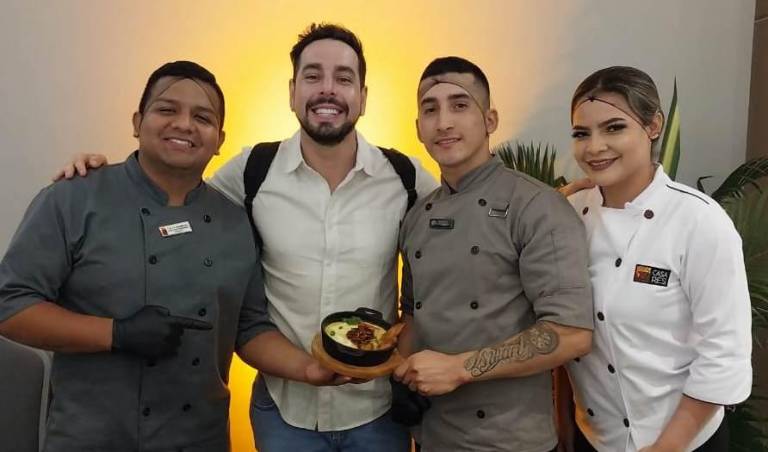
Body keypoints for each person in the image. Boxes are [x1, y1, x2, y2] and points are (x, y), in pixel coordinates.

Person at [54, 23, 436, 452]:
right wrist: (104, 177)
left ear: (363, 97)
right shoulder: (252, 171)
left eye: (343, 78)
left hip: (378, 413)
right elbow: (176, 193)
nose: (327, 90)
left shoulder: (405, 177)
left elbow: (461, 226)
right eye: (312, 76)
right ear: (293, 92)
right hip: (283, 412)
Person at [0, 61, 276, 452]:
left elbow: (250, 326)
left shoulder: (235, 221)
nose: (184, 124)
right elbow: (10, 306)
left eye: (202, 117)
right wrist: (116, 333)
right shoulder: (74, 197)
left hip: (200, 438)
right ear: (136, 122)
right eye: (167, 109)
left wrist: (316, 368)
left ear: (219, 140)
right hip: (92, 438)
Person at [392, 56, 595, 452]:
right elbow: (414, 316)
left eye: (460, 105)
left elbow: (571, 334)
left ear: (490, 120)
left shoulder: (536, 206)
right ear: (418, 128)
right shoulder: (417, 215)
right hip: (431, 435)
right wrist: (396, 374)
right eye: (430, 109)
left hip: (510, 441)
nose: (444, 122)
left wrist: (458, 368)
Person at [564, 66, 752, 451]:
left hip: (682, 441)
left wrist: (666, 447)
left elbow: (723, 354)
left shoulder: (698, 221)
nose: (594, 146)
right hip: (594, 438)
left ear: (653, 126)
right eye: (582, 133)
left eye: (614, 127)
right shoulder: (567, 215)